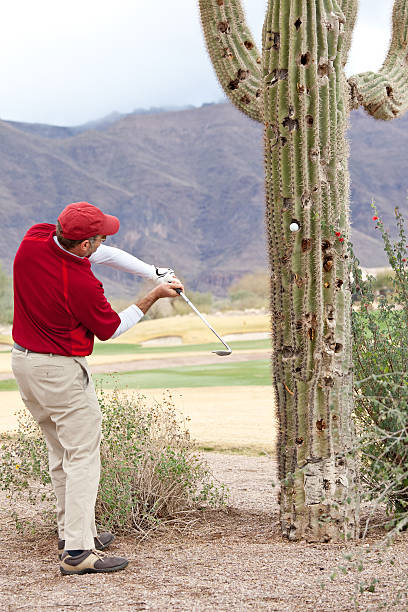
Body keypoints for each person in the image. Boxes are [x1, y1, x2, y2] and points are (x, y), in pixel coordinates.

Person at [11, 201, 184, 576]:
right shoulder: (80, 282)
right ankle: (77, 552)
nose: (102, 241)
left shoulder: (34, 239)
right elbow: (110, 329)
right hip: (60, 372)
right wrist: (153, 294)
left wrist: (151, 271)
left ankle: (73, 531)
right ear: (84, 244)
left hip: (24, 364)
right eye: (98, 236)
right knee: (83, 457)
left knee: (61, 452)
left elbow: (101, 252)